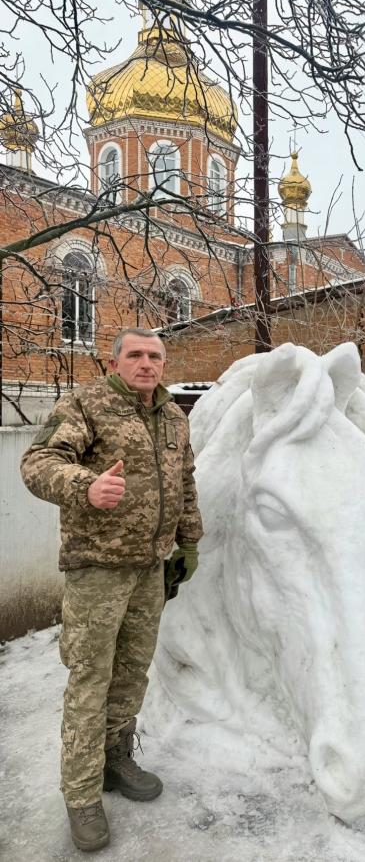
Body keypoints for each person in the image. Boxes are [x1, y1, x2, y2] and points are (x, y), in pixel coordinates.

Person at [20, 327, 203, 852]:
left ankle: (115, 760)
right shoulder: (86, 403)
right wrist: (87, 486)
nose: (147, 364)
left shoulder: (171, 416)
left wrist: (189, 542)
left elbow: (185, 481)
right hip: (97, 569)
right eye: (136, 355)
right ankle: (80, 795)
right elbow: (38, 464)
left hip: (148, 568)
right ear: (116, 360)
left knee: (130, 673)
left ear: (164, 364)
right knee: (90, 679)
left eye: (155, 356)